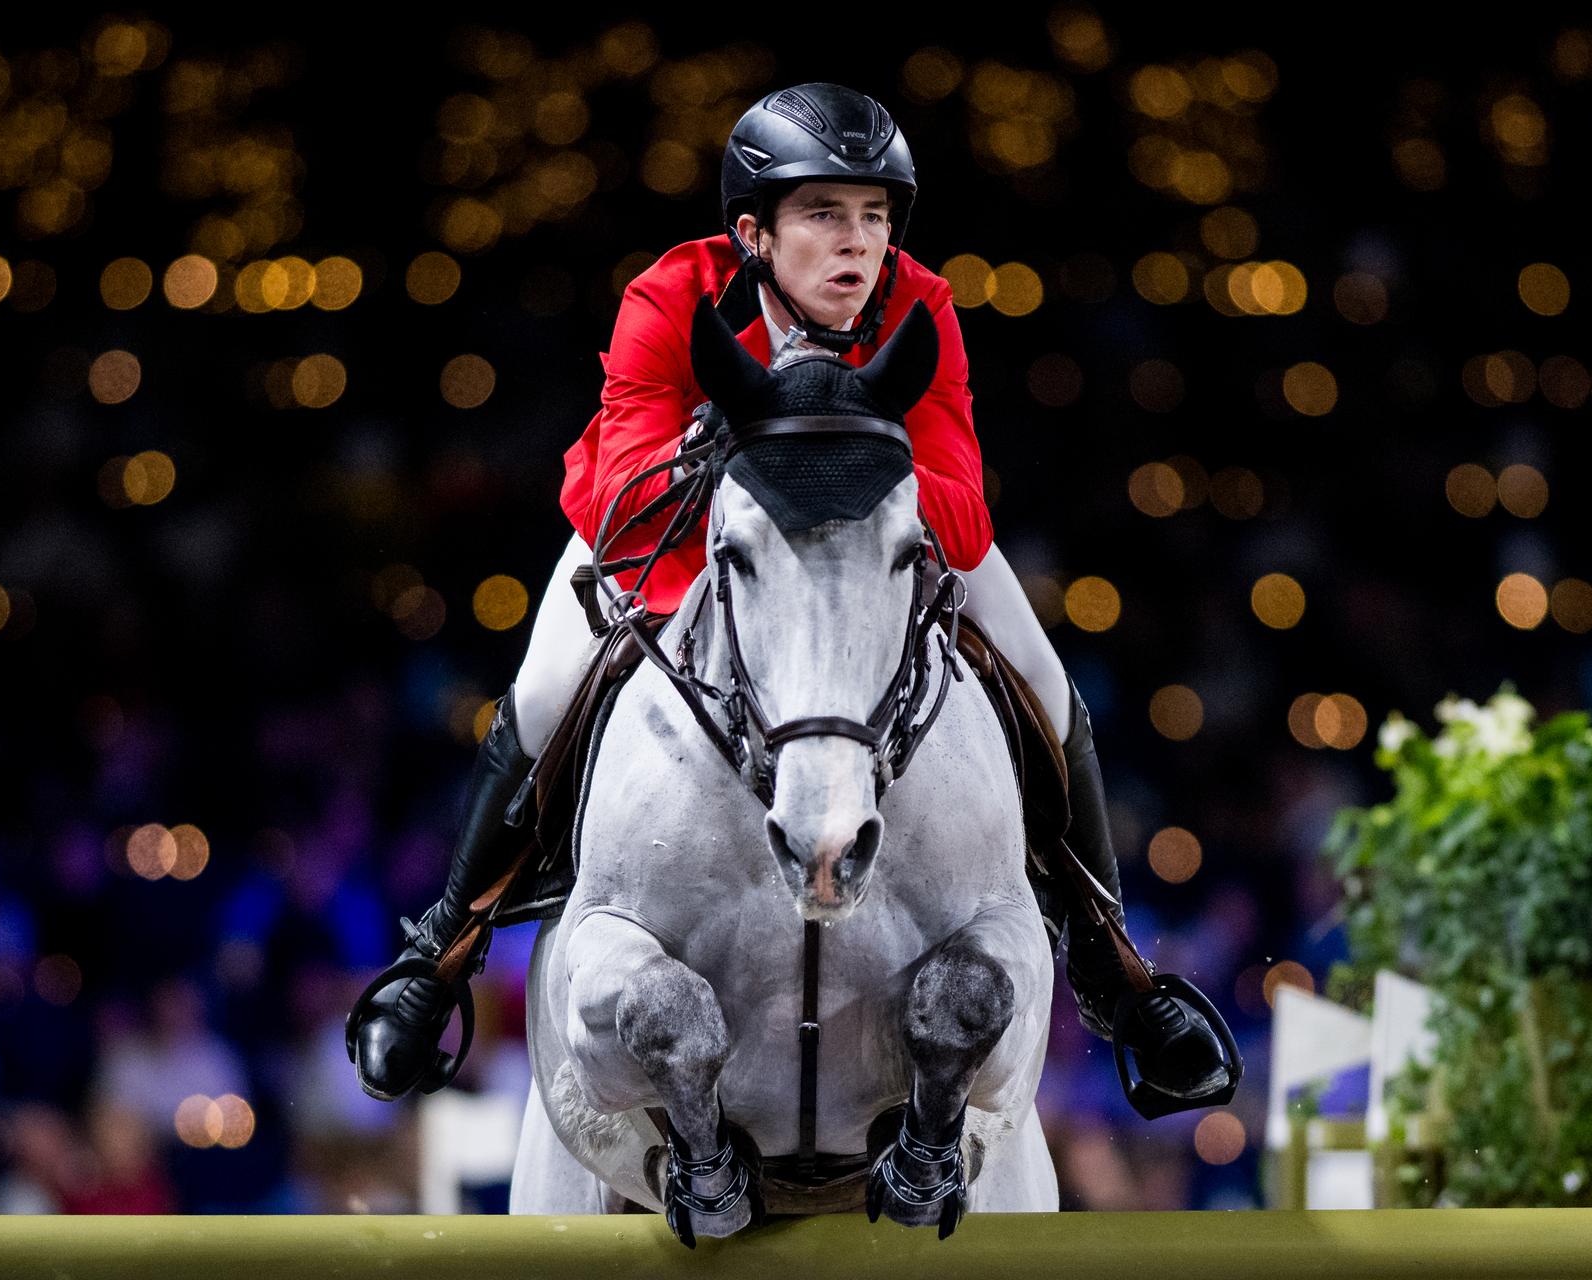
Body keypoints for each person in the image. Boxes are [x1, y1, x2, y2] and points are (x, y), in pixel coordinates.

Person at [348, 83, 1231, 1110]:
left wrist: (862, 467)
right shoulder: (673, 296)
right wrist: (739, 464)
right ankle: (439, 954)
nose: (858, 244)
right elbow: (619, 493)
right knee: (543, 691)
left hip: (874, 544)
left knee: (1044, 676)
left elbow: (960, 510)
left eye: (875, 215)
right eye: (824, 214)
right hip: (684, 546)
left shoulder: (922, 307)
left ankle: (1114, 966)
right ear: (752, 232)